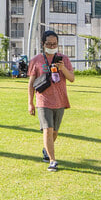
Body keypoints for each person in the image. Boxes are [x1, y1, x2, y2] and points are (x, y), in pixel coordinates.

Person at [27, 29, 75, 172]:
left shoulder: (63, 59)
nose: (52, 46)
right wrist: (30, 102)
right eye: (49, 44)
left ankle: (46, 149)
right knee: (47, 130)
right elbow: (31, 83)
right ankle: (52, 160)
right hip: (43, 100)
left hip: (60, 100)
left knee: (54, 132)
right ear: (43, 44)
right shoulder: (36, 60)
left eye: (54, 44)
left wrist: (63, 68)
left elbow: (71, 78)